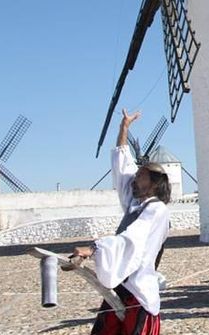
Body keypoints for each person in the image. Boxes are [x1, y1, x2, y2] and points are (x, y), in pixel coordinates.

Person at [72, 109, 170, 335]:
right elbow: (123, 167)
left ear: (154, 183)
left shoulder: (156, 210)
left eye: (141, 176)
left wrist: (94, 248)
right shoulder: (135, 204)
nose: (135, 178)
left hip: (139, 291)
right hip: (121, 285)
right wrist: (123, 129)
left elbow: (132, 238)